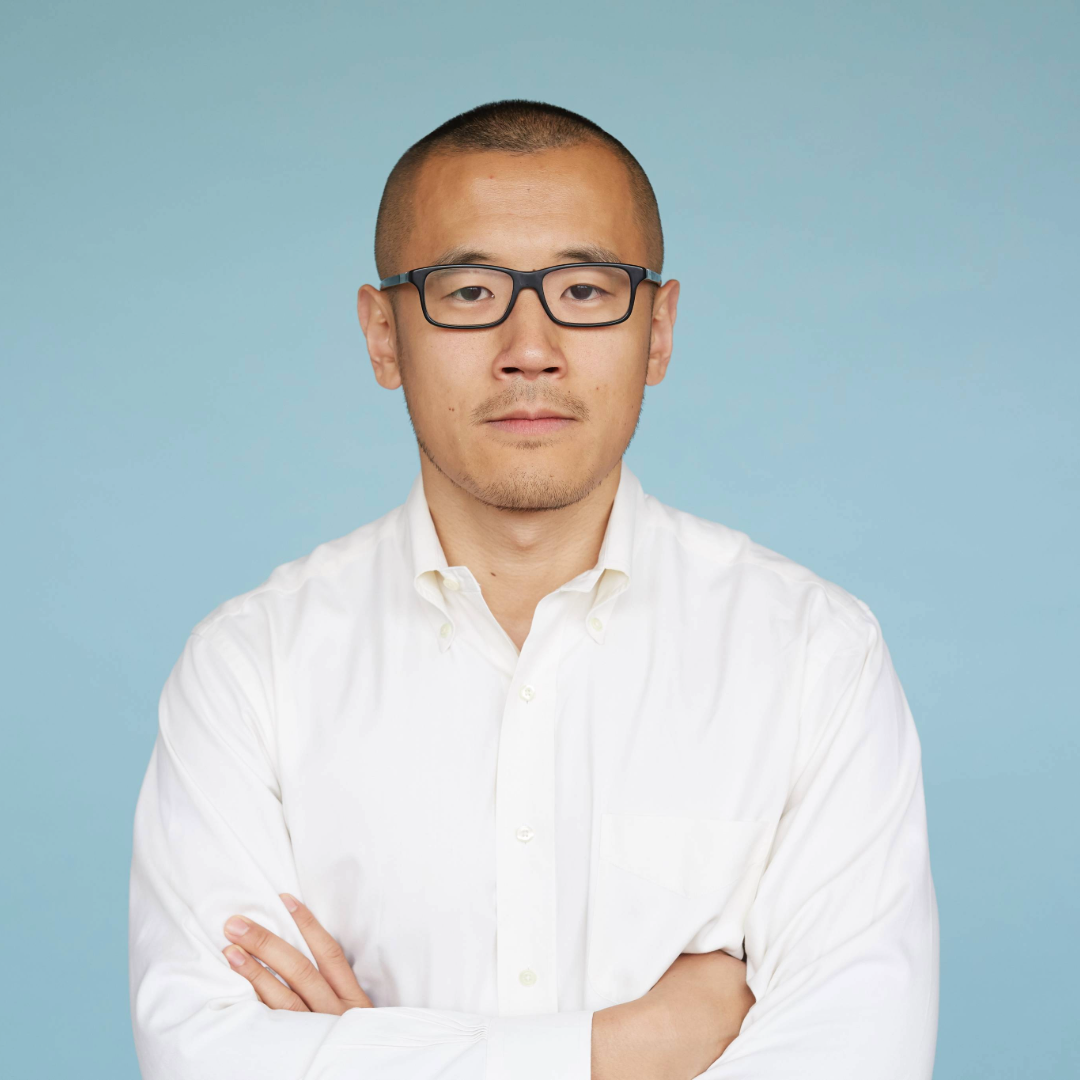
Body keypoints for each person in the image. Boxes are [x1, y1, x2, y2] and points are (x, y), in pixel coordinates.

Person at [128, 100, 939, 1080]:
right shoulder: (248, 671)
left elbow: (855, 1058)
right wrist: (624, 1048)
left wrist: (357, 1053)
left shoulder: (816, 658)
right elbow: (209, 1061)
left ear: (659, 331)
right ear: (384, 335)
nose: (530, 346)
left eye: (587, 291)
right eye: (468, 293)